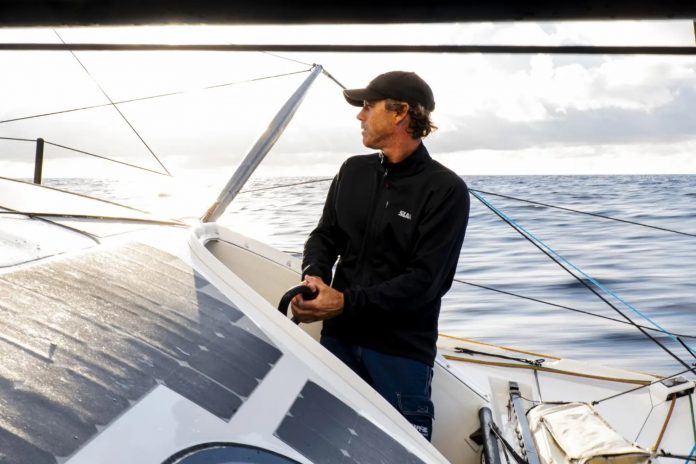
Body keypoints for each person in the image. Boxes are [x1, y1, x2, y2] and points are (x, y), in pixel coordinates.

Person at [291, 71, 469, 441]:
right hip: (338, 342)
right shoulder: (353, 171)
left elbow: (425, 283)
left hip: (400, 357)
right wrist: (315, 277)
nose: (360, 116)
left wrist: (343, 302)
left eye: (368, 107)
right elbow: (325, 236)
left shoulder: (445, 189)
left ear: (400, 112)